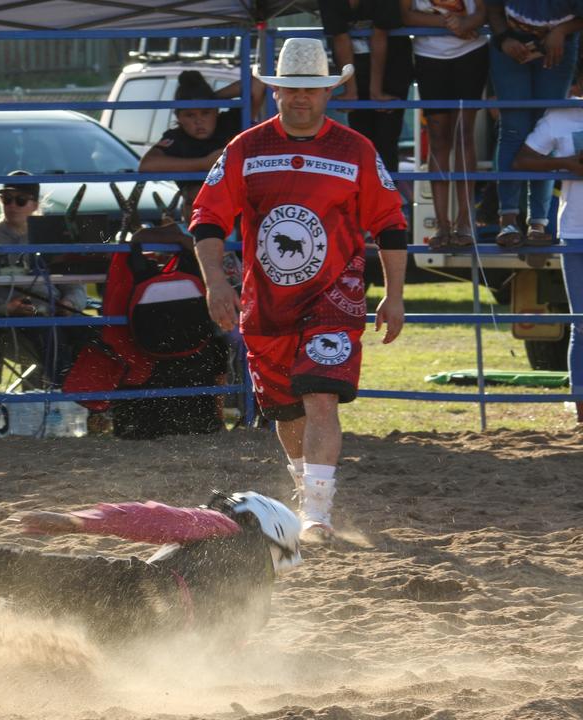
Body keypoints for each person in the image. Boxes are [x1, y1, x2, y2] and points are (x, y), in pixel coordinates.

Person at [190, 38, 408, 541]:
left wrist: (394, 294)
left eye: (311, 89)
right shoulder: (246, 149)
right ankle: (305, 490)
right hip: (267, 304)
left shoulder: (355, 151)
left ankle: (318, 515)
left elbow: (390, 224)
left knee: (321, 400)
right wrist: (215, 281)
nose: (301, 98)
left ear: (328, 92)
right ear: (276, 92)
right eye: (291, 89)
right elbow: (207, 217)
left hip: (335, 295)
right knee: (286, 411)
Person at [0, 490, 302, 642]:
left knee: (5, 569)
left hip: (132, 589)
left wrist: (75, 522)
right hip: (140, 640)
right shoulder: (255, 609)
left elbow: (152, 519)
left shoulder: (227, 528)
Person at [0, 171, 91, 388]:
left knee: (95, 337)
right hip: (11, 323)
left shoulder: (53, 238)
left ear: (35, 204)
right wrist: (4, 307)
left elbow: (75, 285)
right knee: (50, 338)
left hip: (55, 314)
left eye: (20, 200)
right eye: (7, 199)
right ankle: (62, 398)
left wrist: (70, 303)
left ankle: (94, 404)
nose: (12, 205)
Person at [487, 0, 583, 264]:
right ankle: (507, 220)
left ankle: (537, 223)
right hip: (510, 43)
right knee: (514, 127)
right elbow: (492, 6)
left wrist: (562, 32)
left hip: (558, 45)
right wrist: (504, 38)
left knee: (545, 128)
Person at [512, 73, 583, 422]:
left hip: (573, 229)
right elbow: (522, 160)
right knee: (581, 324)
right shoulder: (559, 118)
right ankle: (582, 410)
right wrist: (566, 165)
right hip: (576, 231)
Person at [402, 0, 489, 250]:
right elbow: (406, 15)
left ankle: (465, 221)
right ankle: (442, 224)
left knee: (464, 134)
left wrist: (466, 23)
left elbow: (482, 12)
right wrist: (450, 23)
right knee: (438, 137)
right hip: (429, 55)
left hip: (472, 52)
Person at [139, 71, 264, 223]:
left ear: (216, 111)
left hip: (236, 215)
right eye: (190, 115)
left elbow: (257, 85)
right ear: (179, 117)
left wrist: (211, 98)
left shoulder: (230, 123)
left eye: (205, 113)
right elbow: (147, 165)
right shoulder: (177, 137)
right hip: (197, 218)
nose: (199, 121)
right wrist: (204, 163)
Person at [318, 0, 415, 175]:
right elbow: (340, 37)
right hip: (356, 70)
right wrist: (351, 91)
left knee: (387, 138)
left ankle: (388, 196)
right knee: (361, 138)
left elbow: (380, 34)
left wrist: (375, 91)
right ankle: (364, 198)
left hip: (393, 67)